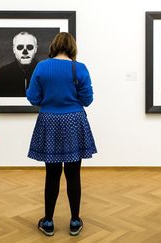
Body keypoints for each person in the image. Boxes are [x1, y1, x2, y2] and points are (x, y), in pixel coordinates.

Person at [26, 32, 97, 237]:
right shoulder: (80, 68)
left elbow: (33, 97)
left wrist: (49, 100)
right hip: (74, 121)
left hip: (49, 120)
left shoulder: (41, 67)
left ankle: (48, 221)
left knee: (52, 174)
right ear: (72, 47)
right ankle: (75, 221)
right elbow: (87, 99)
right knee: (73, 174)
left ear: (54, 46)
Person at [0, 31, 38, 97]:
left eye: (29, 47)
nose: (25, 52)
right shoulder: (2, 74)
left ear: (35, 49)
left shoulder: (45, 72)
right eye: (20, 47)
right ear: (14, 50)